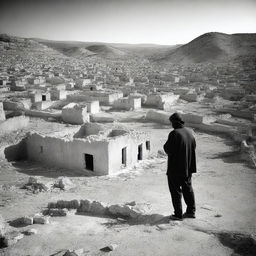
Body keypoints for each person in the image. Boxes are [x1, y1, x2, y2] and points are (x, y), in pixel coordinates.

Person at [163, 112, 197, 221]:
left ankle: (178, 214)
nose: (171, 125)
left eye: (172, 122)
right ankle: (191, 212)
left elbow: (168, 149)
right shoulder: (190, 132)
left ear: (175, 122)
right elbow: (193, 146)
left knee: (176, 191)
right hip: (187, 167)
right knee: (188, 189)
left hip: (175, 169)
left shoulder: (174, 134)